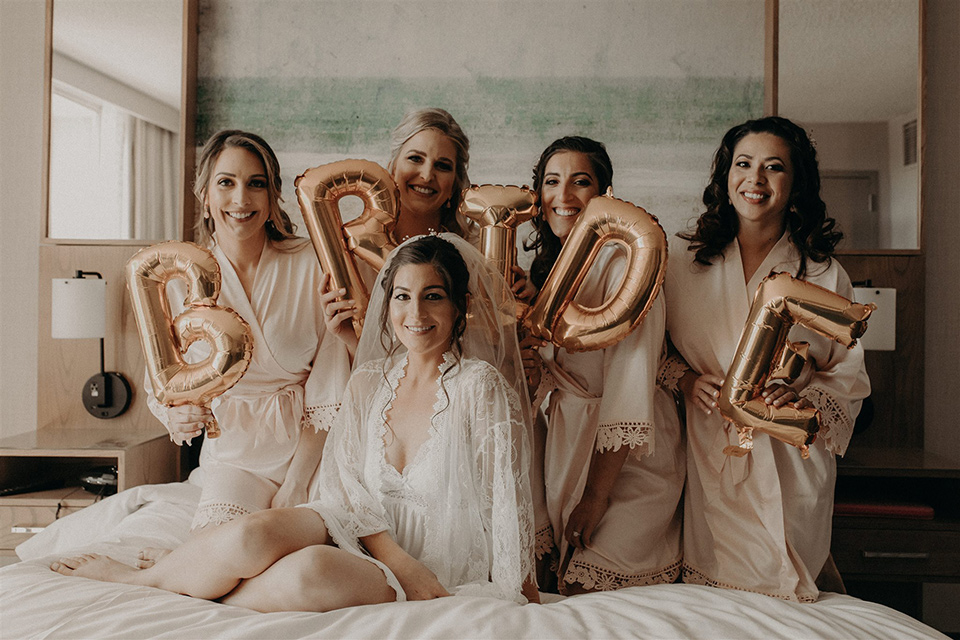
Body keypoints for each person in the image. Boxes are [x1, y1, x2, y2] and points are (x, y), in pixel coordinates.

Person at [52, 234, 538, 610]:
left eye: (433, 296)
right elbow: (345, 483)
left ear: (459, 308)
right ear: (386, 305)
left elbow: (506, 503)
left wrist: (523, 596)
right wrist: (393, 557)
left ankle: (194, 584)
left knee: (308, 571)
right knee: (250, 533)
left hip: (434, 563)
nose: (415, 313)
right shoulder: (370, 380)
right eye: (402, 297)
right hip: (365, 534)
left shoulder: (480, 387)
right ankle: (142, 578)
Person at [659, 116, 870, 602]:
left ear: (795, 184)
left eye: (773, 168)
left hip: (790, 460)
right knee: (720, 598)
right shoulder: (683, 263)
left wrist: (801, 389)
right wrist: (687, 380)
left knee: (785, 596)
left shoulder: (820, 271)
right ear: (725, 176)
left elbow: (848, 372)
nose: (754, 179)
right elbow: (652, 352)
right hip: (713, 450)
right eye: (743, 164)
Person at [145, 130, 351, 536]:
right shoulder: (178, 280)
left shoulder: (314, 264)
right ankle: (161, 573)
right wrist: (176, 414)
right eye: (226, 183)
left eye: (256, 184)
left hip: (314, 454)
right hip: (233, 457)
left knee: (306, 564)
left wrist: (295, 485)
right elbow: (164, 383)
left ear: (273, 196)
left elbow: (329, 392)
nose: (241, 200)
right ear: (205, 194)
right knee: (220, 547)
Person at [522, 137, 684, 594]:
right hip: (566, 443)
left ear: (605, 193)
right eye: (552, 182)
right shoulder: (551, 266)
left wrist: (595, 496)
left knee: (593, 587)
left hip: (627, 455)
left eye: (581, 182)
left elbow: (628, 385)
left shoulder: (629, 264)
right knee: (554, 587)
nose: (564, 196)